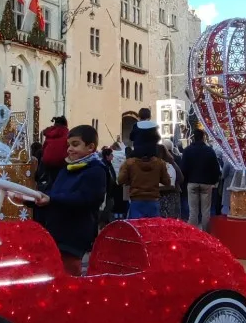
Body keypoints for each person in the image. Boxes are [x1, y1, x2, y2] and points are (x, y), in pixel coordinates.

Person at [29, 124, 109, 276]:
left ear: (90, 147)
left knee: (67, 274)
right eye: (68, 145)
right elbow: (52, 194)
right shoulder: (67, 169)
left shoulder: (96, 171)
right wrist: (29, 199)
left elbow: (86, 198)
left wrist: (52, 199)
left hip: (73, 235)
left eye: (75, 144)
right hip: (56, 232)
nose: (69, 149)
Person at [117, 135, 170, 219]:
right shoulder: (160, 163)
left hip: (136, 201)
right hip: (153, 201)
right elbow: (167, 182)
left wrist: (131, 179)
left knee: (136, 226)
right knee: (152, 226)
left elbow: (120, 180)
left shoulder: (129, 163)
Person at [182, 129, 222, 231]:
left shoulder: (187, 150)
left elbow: (183, 168)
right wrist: (213, 181)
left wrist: (187, 180)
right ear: (203, 137)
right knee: (206, 211)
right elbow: (216, 168)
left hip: (192, 182)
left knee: (193, 211)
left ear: (193, 138)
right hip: (206, 183)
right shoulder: (209, 151)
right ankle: (206, 233)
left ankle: (193, 233)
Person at [40, 117, 70, 187]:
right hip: (61, 161)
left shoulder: (50, 133)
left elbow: (44, 147)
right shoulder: (66, 133)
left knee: (51, 178)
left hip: (48, 160)